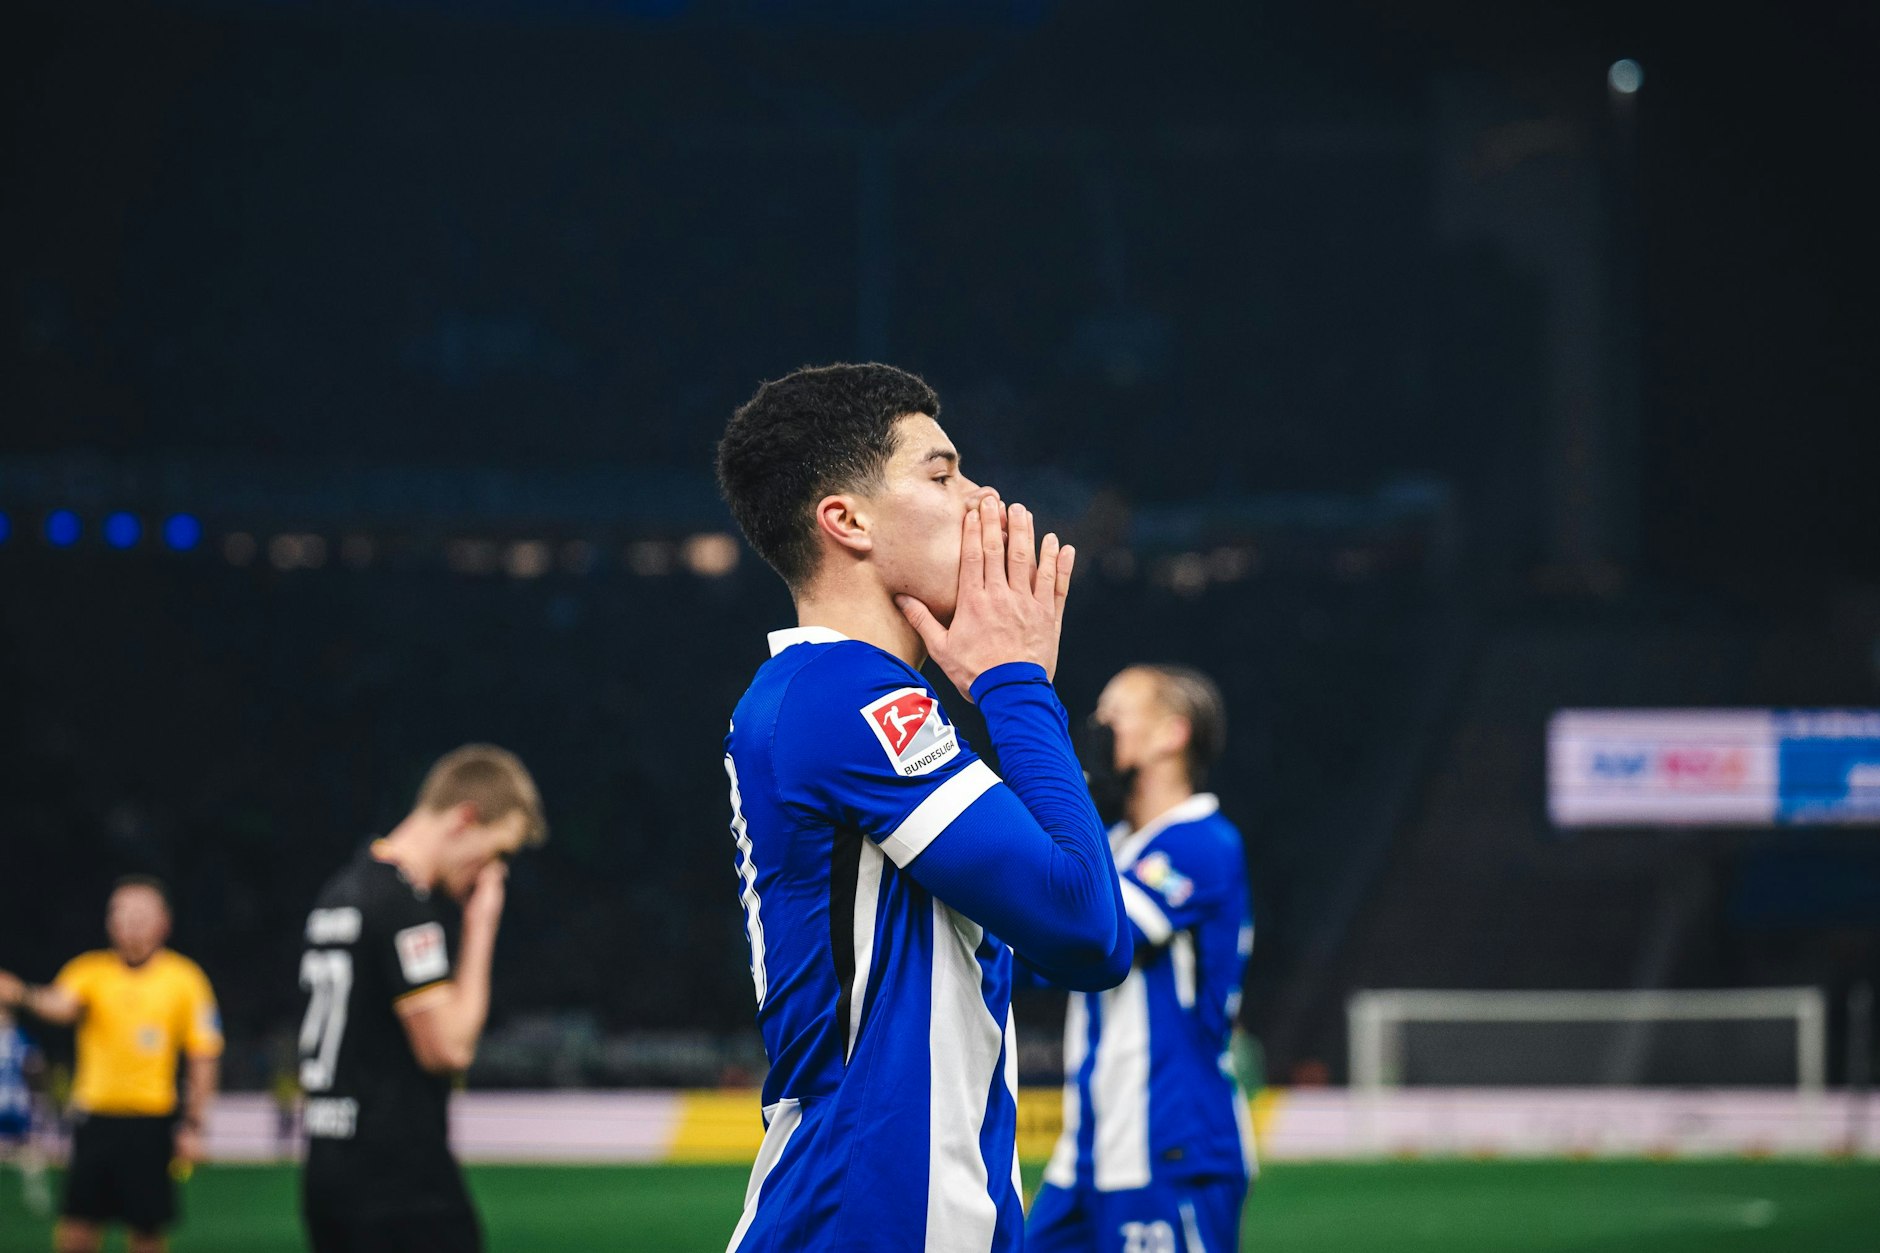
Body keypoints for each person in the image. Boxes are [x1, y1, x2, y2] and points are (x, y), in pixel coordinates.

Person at [714, 362, 1134, 1252]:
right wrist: (1016, 685)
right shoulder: (843, 692)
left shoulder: (847, 698)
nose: (981, 496)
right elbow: (1085, 925)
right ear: (847, 520)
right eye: (942, 474)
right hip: (869, 1215)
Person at [1027, 665, 1256, 1253]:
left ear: (1170, 735)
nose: (1096, 731)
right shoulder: (1117, 843)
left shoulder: (1201, 841)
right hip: (1093, 1148)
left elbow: (1092, 936)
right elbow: (1033, 954)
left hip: (1170, 1141)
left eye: (1113, 717)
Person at [296, 743, 547, 1253]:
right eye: (497, 852)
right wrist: (482, 926)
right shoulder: (403, 907)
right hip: (399, 1183)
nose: (492, 874)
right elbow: (448, 1049)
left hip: (327, 1167)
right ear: (465, 818)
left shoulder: (341, 892)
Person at [0, 876, 223, 1253]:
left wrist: (195, 1125)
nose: (132, 920)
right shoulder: (90, 971)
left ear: (164, 922)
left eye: (143, 912)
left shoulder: (186, 979)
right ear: (110, 921)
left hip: (152, 1121)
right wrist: (22, 993)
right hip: (95, 1120)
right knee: (77, 1229)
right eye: (123, 911)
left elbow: (203, 1055)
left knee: (147, 1232)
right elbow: (61, 1005)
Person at [0, 1003, 53, 1217]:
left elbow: (34, 1067)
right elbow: (36, 1068)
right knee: (29, 1152)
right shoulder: (21, 1037)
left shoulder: (20, 1037)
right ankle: (37, 1196)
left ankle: (37, 1197)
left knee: (29, 1150)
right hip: (16, 1102)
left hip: (14, 1103)